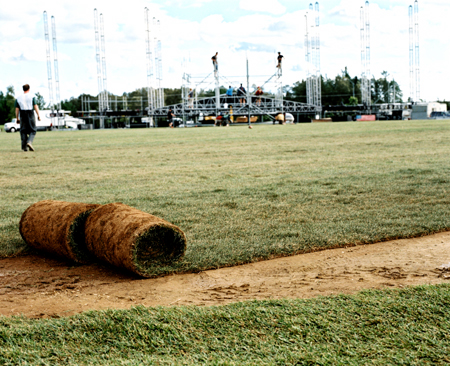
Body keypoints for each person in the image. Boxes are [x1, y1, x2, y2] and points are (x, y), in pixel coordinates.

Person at [15, 84, 41, 152]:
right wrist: (38, 115)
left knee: (23, 130)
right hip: (30, 113)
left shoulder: (18, 98)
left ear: (23, 89)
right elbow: (35, 106)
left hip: (22, 113)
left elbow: (17, 109)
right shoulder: (32, 96)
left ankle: (24, 147)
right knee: (33, 130)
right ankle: (29, 142)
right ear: (29, 89)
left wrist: (17, 118)